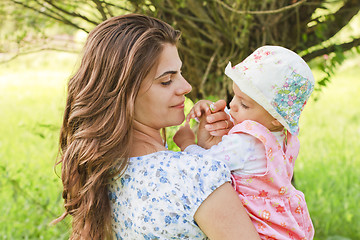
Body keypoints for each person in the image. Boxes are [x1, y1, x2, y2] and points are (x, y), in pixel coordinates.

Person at [53, 13, 261, 239]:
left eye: (180, 73)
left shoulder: (100, 171)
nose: (186, 87)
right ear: (123, 93)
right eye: (166, 80)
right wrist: (202, 161)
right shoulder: (196, 177)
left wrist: (204, 151)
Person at [174, 46, 315, 240]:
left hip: (253, 228)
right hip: (281, 225)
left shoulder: (246, 142)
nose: (232, 105)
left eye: (244, 104)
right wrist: (209, 120)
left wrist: (187, 144)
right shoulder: (282, 136)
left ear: (276, 118)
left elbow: (205, 166)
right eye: (234, 96)